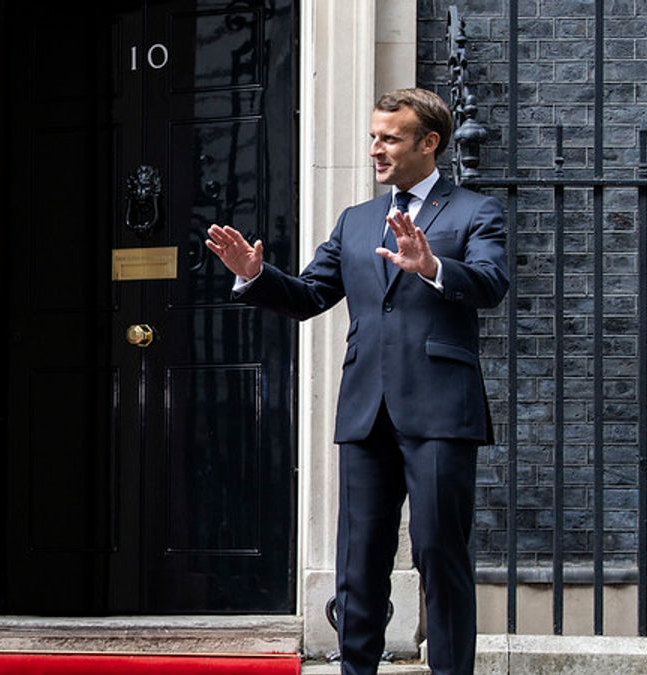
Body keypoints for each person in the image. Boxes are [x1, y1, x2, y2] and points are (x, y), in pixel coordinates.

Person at [206, 88, 507, 675]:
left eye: (390, 138)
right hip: (367, 409)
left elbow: (491, 284)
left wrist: (433, 266)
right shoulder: (357, 220)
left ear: (429, 142)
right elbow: (310, 295)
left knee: (439, 554)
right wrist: (255, 275)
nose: (376, 149)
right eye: (373, 136)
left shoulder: (475, 211)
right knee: (359, 559)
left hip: (441, 410)